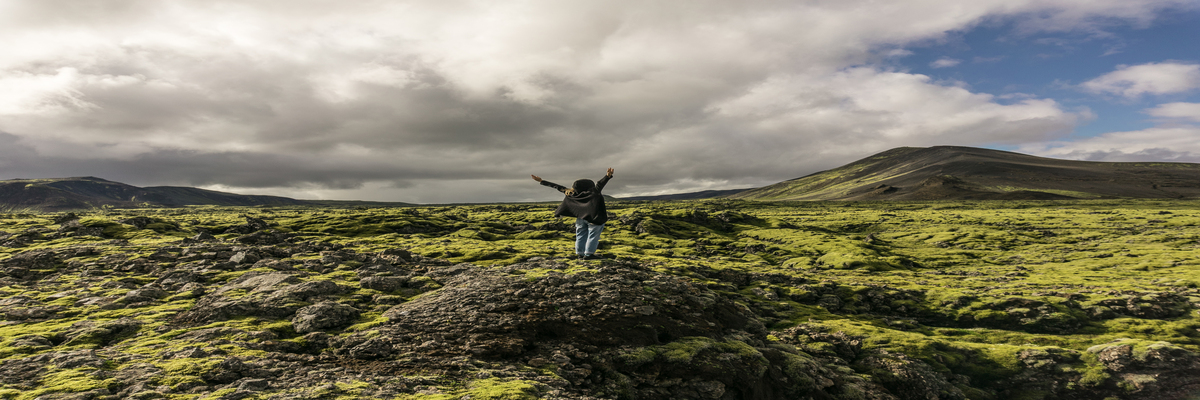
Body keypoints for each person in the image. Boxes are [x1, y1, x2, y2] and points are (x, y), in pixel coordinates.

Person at [531, 168, 614, 260]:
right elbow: (600, 184)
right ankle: (589, 254)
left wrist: (541, 181)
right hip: (594, 219)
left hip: (580, 218)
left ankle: (580, 253)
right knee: (593, 236)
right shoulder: (594, 192)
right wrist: (607, 176)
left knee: (580, 235)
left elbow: (557, 187)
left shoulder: (571, 193)